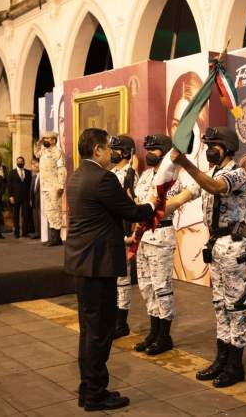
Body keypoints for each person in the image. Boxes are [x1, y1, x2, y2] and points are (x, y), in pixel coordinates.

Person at [65, 128, 156, 411]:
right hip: (98, 264)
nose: (112, 152)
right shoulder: (103, 178)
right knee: (100, 331)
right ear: (97, 151)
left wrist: (122, 237)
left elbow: (99, 218)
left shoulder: (77, 175)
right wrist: (156, 204)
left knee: (89, 330)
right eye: (107, 147)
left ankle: (88, 390)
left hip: (84, 261)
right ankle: (95, 393)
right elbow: (131, 211)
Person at [165, 127, 246, 388]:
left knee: (235, 308)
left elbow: (214, 187)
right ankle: (221, 358)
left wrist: (185, 162)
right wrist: (150, 210)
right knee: (219, 305)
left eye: (214, 144)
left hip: (233, 246)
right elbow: (184, 196)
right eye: (208, 144)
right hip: (215, 246)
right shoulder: (210, 172)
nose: (210, 149)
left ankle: (235, 365)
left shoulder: (237, 174)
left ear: (226, 147)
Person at [132, 134, 183, 355]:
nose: (149, 154)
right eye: (147, 150)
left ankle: (164, 335)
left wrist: (144, 207)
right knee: (146, 286)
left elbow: (162, 205)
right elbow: (137, 201)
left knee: (162, 287)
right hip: (143, 236)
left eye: (154, 150)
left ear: (164, 151)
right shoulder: (144, 176)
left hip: (161, 235)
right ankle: (153, 331)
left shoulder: (173, 178)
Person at [108, 134, 138, 339]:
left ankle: (121, 323)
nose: (112, 153)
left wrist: (132, 234)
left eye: (116, 149)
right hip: (110, 231)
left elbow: (132, 205)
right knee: (112, 279)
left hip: (124, 231)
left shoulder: (130, 175)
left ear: (126, 152)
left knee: (123, 280)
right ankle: (113, 319)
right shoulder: (110, 173)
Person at [34, 132, 67, 246]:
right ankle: (54, 238)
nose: (45, 140)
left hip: (54, 186)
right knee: (49, 211)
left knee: (54, 211)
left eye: (47, 139)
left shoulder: (57, 152)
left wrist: (61, 185)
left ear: (53, 140)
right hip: (45, 186)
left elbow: (62, 169)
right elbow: (36, 154)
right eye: (44, 139)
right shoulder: (43, 151)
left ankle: (56, 238)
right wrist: (38, 143)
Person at [8, 156, 33, 238]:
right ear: (16, 162)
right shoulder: (12, 172)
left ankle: (25, 232)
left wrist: (30, 197)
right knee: (16, 216)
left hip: (25, 197)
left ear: (24, 162)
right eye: (18, 161)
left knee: (25, 215)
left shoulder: (28, 172)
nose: (20, 163)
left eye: (21, 161)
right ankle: (16, 233)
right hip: (15, 197)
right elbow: (9, 185)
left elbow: (30, 185)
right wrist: (11, 196)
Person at [30, 159, 42, 239]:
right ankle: (37, 232)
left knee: (40, 216)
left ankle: (42, 233)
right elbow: (31, 189)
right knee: (35, 217)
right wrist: (30, 199)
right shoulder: (34, 176)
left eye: (36, 165)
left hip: (41, 200)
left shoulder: (42, 176)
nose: (34, 167)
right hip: (34, 200)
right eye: (33, 165)